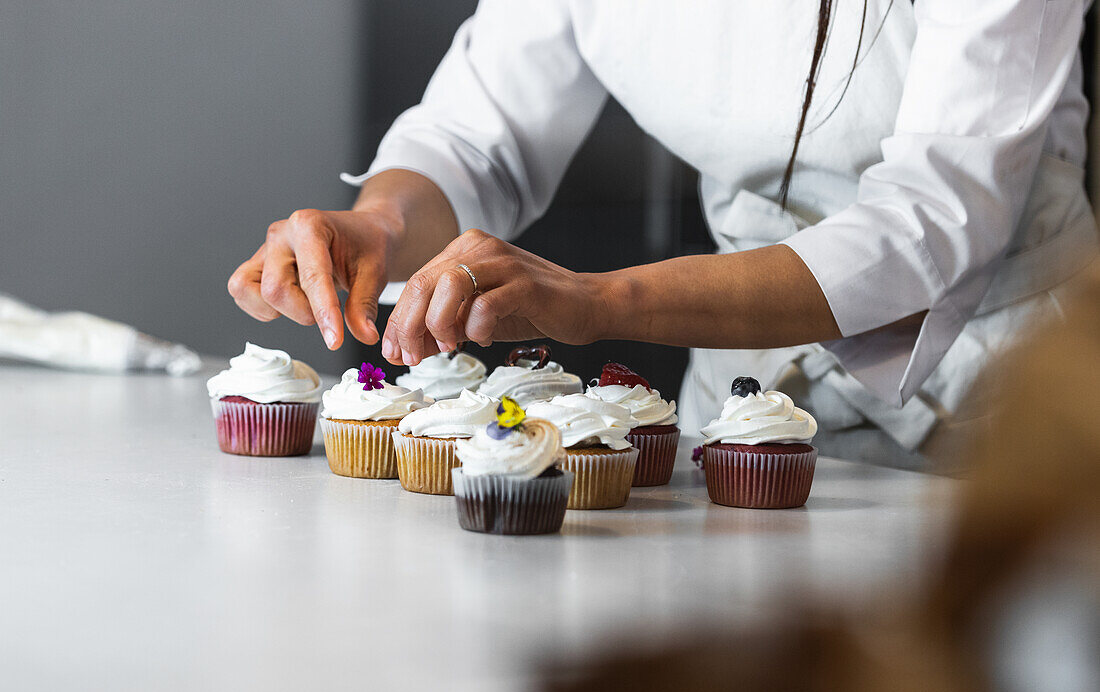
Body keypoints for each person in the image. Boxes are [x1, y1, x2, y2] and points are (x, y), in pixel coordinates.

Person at [227, 1, 1098, 471]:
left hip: (1017, 399)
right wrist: (378, 223)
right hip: (747, 401)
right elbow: (475, 135)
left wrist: (601, 300)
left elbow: (930, 221)